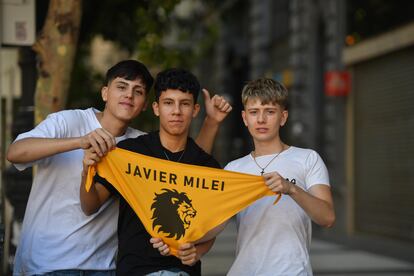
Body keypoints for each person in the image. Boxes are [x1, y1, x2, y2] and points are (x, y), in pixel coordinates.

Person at [6, 60, 231, 276]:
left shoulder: (138, 148)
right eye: (121, 87)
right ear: (105, 93)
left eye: (138, 91)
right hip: (48, 263)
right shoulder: (68, 121)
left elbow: (191, 170)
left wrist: (211, 122)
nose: (129, 95)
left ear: (145, 105)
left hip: (104, 265)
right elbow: (15, 152)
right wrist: (79, 141)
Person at [80, 68, 230, 276]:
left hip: (183, 272)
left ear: (195, 110)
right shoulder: (129, 152)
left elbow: (213, 223)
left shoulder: (207, 165)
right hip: (134, 270)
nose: (176, 111)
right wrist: (86, 171)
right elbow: (90, 205)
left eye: (184, 104)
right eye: (168, 103)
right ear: (156, 108)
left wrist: (198, 250)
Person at [224, 78, 335, 275]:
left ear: (283, 117)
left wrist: (291, 189)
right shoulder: (233, 169)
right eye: (254, 112)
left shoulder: (307, 158)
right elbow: (214, 224)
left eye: (270, 112)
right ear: (244, 118)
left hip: (292, 271)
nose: (261, 120)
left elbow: (327, 217)